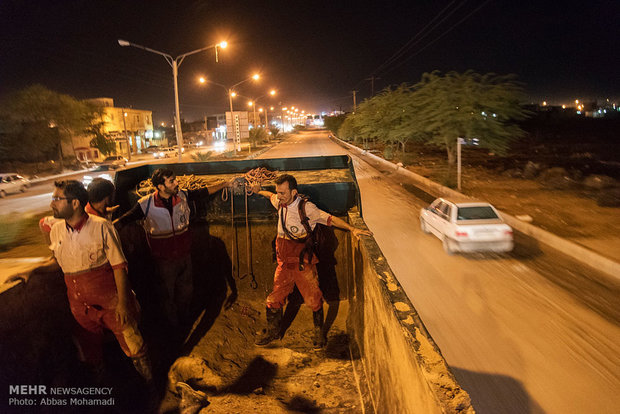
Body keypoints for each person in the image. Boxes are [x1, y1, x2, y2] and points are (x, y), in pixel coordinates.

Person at [30, 180, 152, 382]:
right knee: (88, 347)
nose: (52, 204)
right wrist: (34, 271)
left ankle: (150, 385)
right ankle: (102, 387)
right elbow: (59, 263)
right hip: (79, 306)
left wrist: (123, 303)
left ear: (75, 203)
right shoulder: (57, 230)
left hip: (111, 302)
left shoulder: (102, 227)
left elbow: (119, 266)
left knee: (132, 340)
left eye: (57, 199)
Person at [252, 173, 372, 348]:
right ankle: (273, 331)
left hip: (302, 262)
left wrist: (352, 229)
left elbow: (330, 219)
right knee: (274, 298)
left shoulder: (307, 208)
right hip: (284, 263)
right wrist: (258, 191)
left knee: (313, 298)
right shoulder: (279, 202)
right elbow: (269, 196)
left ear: (294, 192)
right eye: (278, 192)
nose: (279, 196)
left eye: (283, 193)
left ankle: (319, 333)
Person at [114, 168, 229, 331]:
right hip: (164, 260)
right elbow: (123, 221)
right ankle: (172, 327)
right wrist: (104, 227)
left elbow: (203, 192)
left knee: (186, 291)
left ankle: (183, 319)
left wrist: (225, 184)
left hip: (184, 256)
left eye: (175, 179)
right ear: (160, 186)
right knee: (167, 295)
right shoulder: (145, 205)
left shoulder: (182, 196)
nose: (177, 183)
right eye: (171, 181)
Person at [39, 177, 118, 243]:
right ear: (107, 198)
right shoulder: (88, 219)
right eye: (113, 194)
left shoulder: (90, 206)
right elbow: (43, 223)